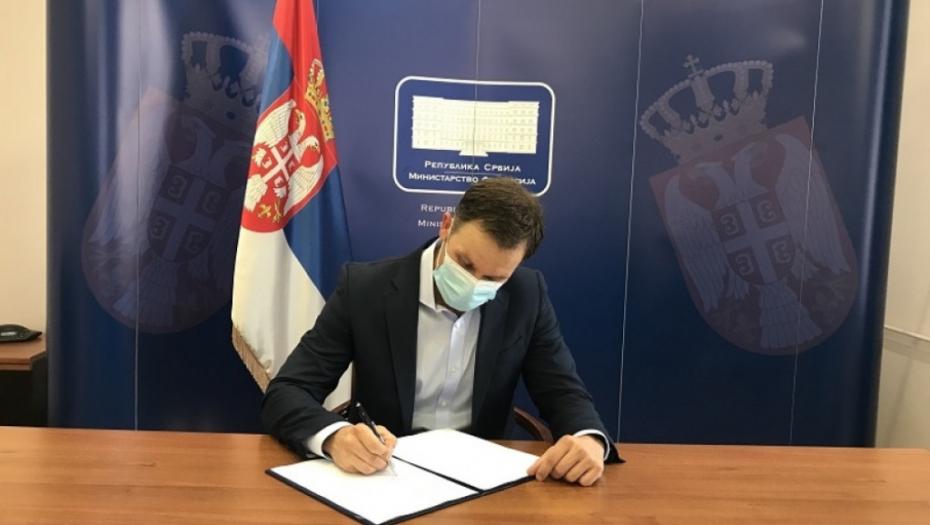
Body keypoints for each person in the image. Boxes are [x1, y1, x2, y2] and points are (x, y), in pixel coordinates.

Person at [262, 177, 621, 487]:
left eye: (494, 278)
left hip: (484, 478)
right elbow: (289, 390)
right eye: (465, 262)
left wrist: (589, 439)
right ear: (446, 226)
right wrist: (335, 437)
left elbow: (563, 391)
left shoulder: (527, 294)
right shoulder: (365, 289)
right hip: (383, 473)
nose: (473, 283)